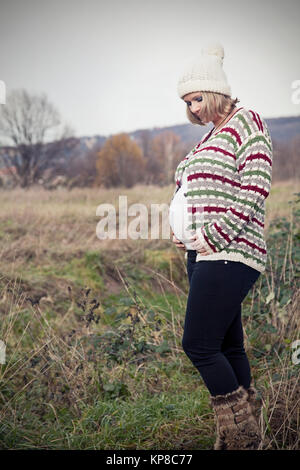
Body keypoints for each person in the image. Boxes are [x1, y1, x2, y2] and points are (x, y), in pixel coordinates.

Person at [170, 41, 273, 450]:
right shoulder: (208, 136)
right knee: (227, 345)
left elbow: (255, 188)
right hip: (203, 253)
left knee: (197, 344)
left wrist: (214, 235)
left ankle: (242, 440)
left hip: (230, 252)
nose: (193, 108)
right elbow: (193, 190)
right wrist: (184, 231)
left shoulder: (247, 121)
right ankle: (247, 435)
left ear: (216, 91)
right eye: (186, 102)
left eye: (197, 98)